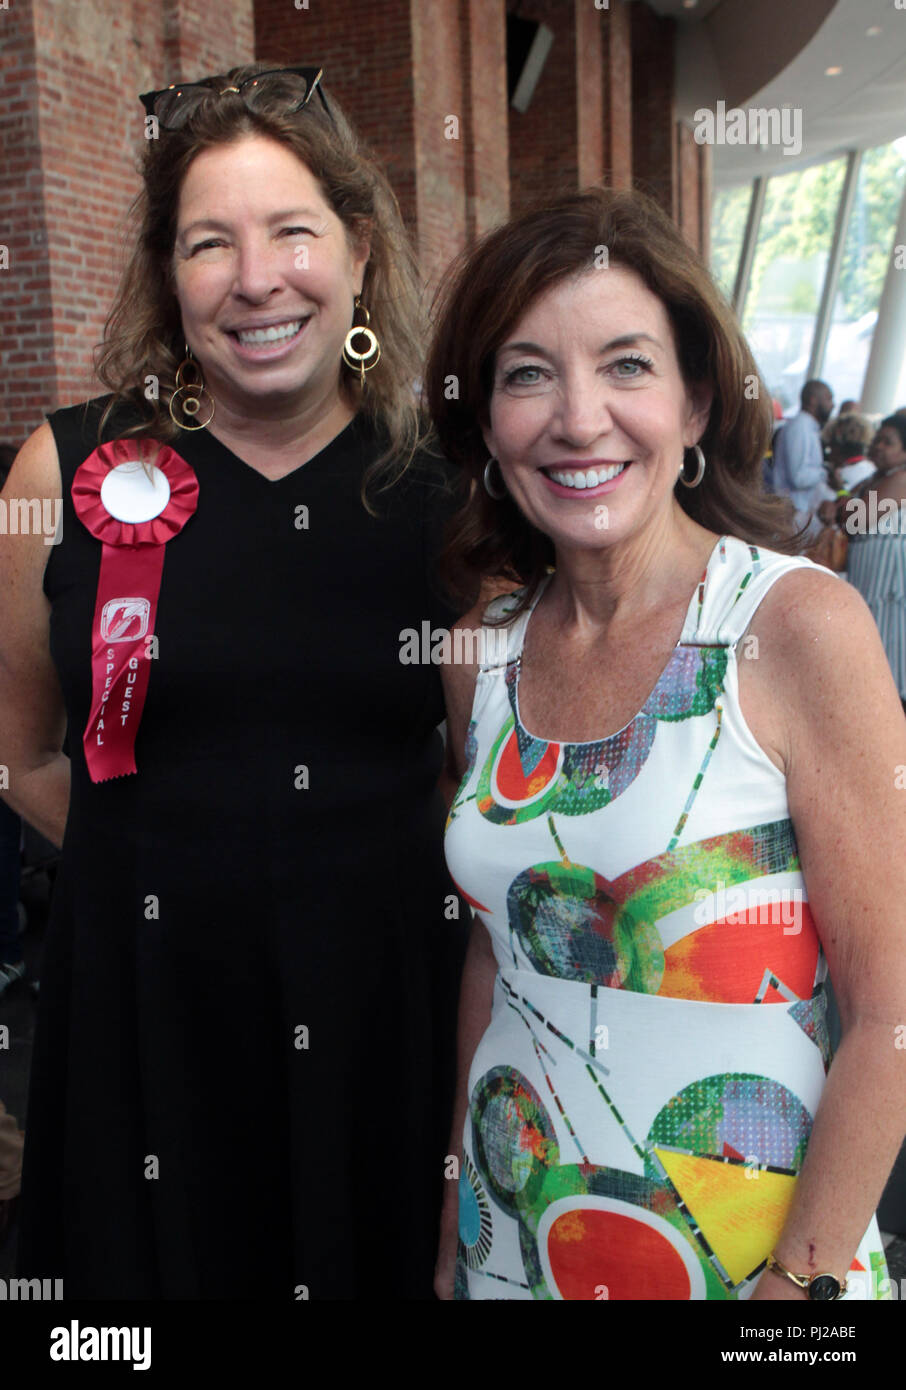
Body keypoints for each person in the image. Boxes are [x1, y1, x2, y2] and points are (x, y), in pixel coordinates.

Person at [0, 63, 466, 1299]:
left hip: (382, 1019)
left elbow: (481, 778)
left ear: (359, 254)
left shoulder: (451, 498)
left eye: (292, 232)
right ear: (170, 274)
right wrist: (182, 875)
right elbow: (25, 755)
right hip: (142, 1016)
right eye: (211, 242)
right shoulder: (65, 467)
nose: (256, 278)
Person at [426, 187, 905, 1301]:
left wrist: (798, 1292)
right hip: (519, 1237)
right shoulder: (477, 656)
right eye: (528, 372)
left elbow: (891, 1013)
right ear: (489, 423)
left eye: (627, 365)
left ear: (696, 401)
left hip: (760, 1267)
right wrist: (458, 1227)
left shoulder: (791, 627)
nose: (578, 418)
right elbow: (497, 961)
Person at [844, 414, 906, 709]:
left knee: (891, 678)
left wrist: (841, 510)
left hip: (890, 600)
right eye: (878, 438)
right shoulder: (875, 478)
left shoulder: (902, 480)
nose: (879, 446)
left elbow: (855, 520)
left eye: (889, 442)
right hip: (871, 590)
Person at [771, 378, 834, 538]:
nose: (832, 405)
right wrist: (824, 471)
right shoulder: (800, 428)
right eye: (828, 398)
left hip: (797, 513)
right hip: (791, 513)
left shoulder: (808, 428)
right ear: (813, 400)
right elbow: (798, 478)